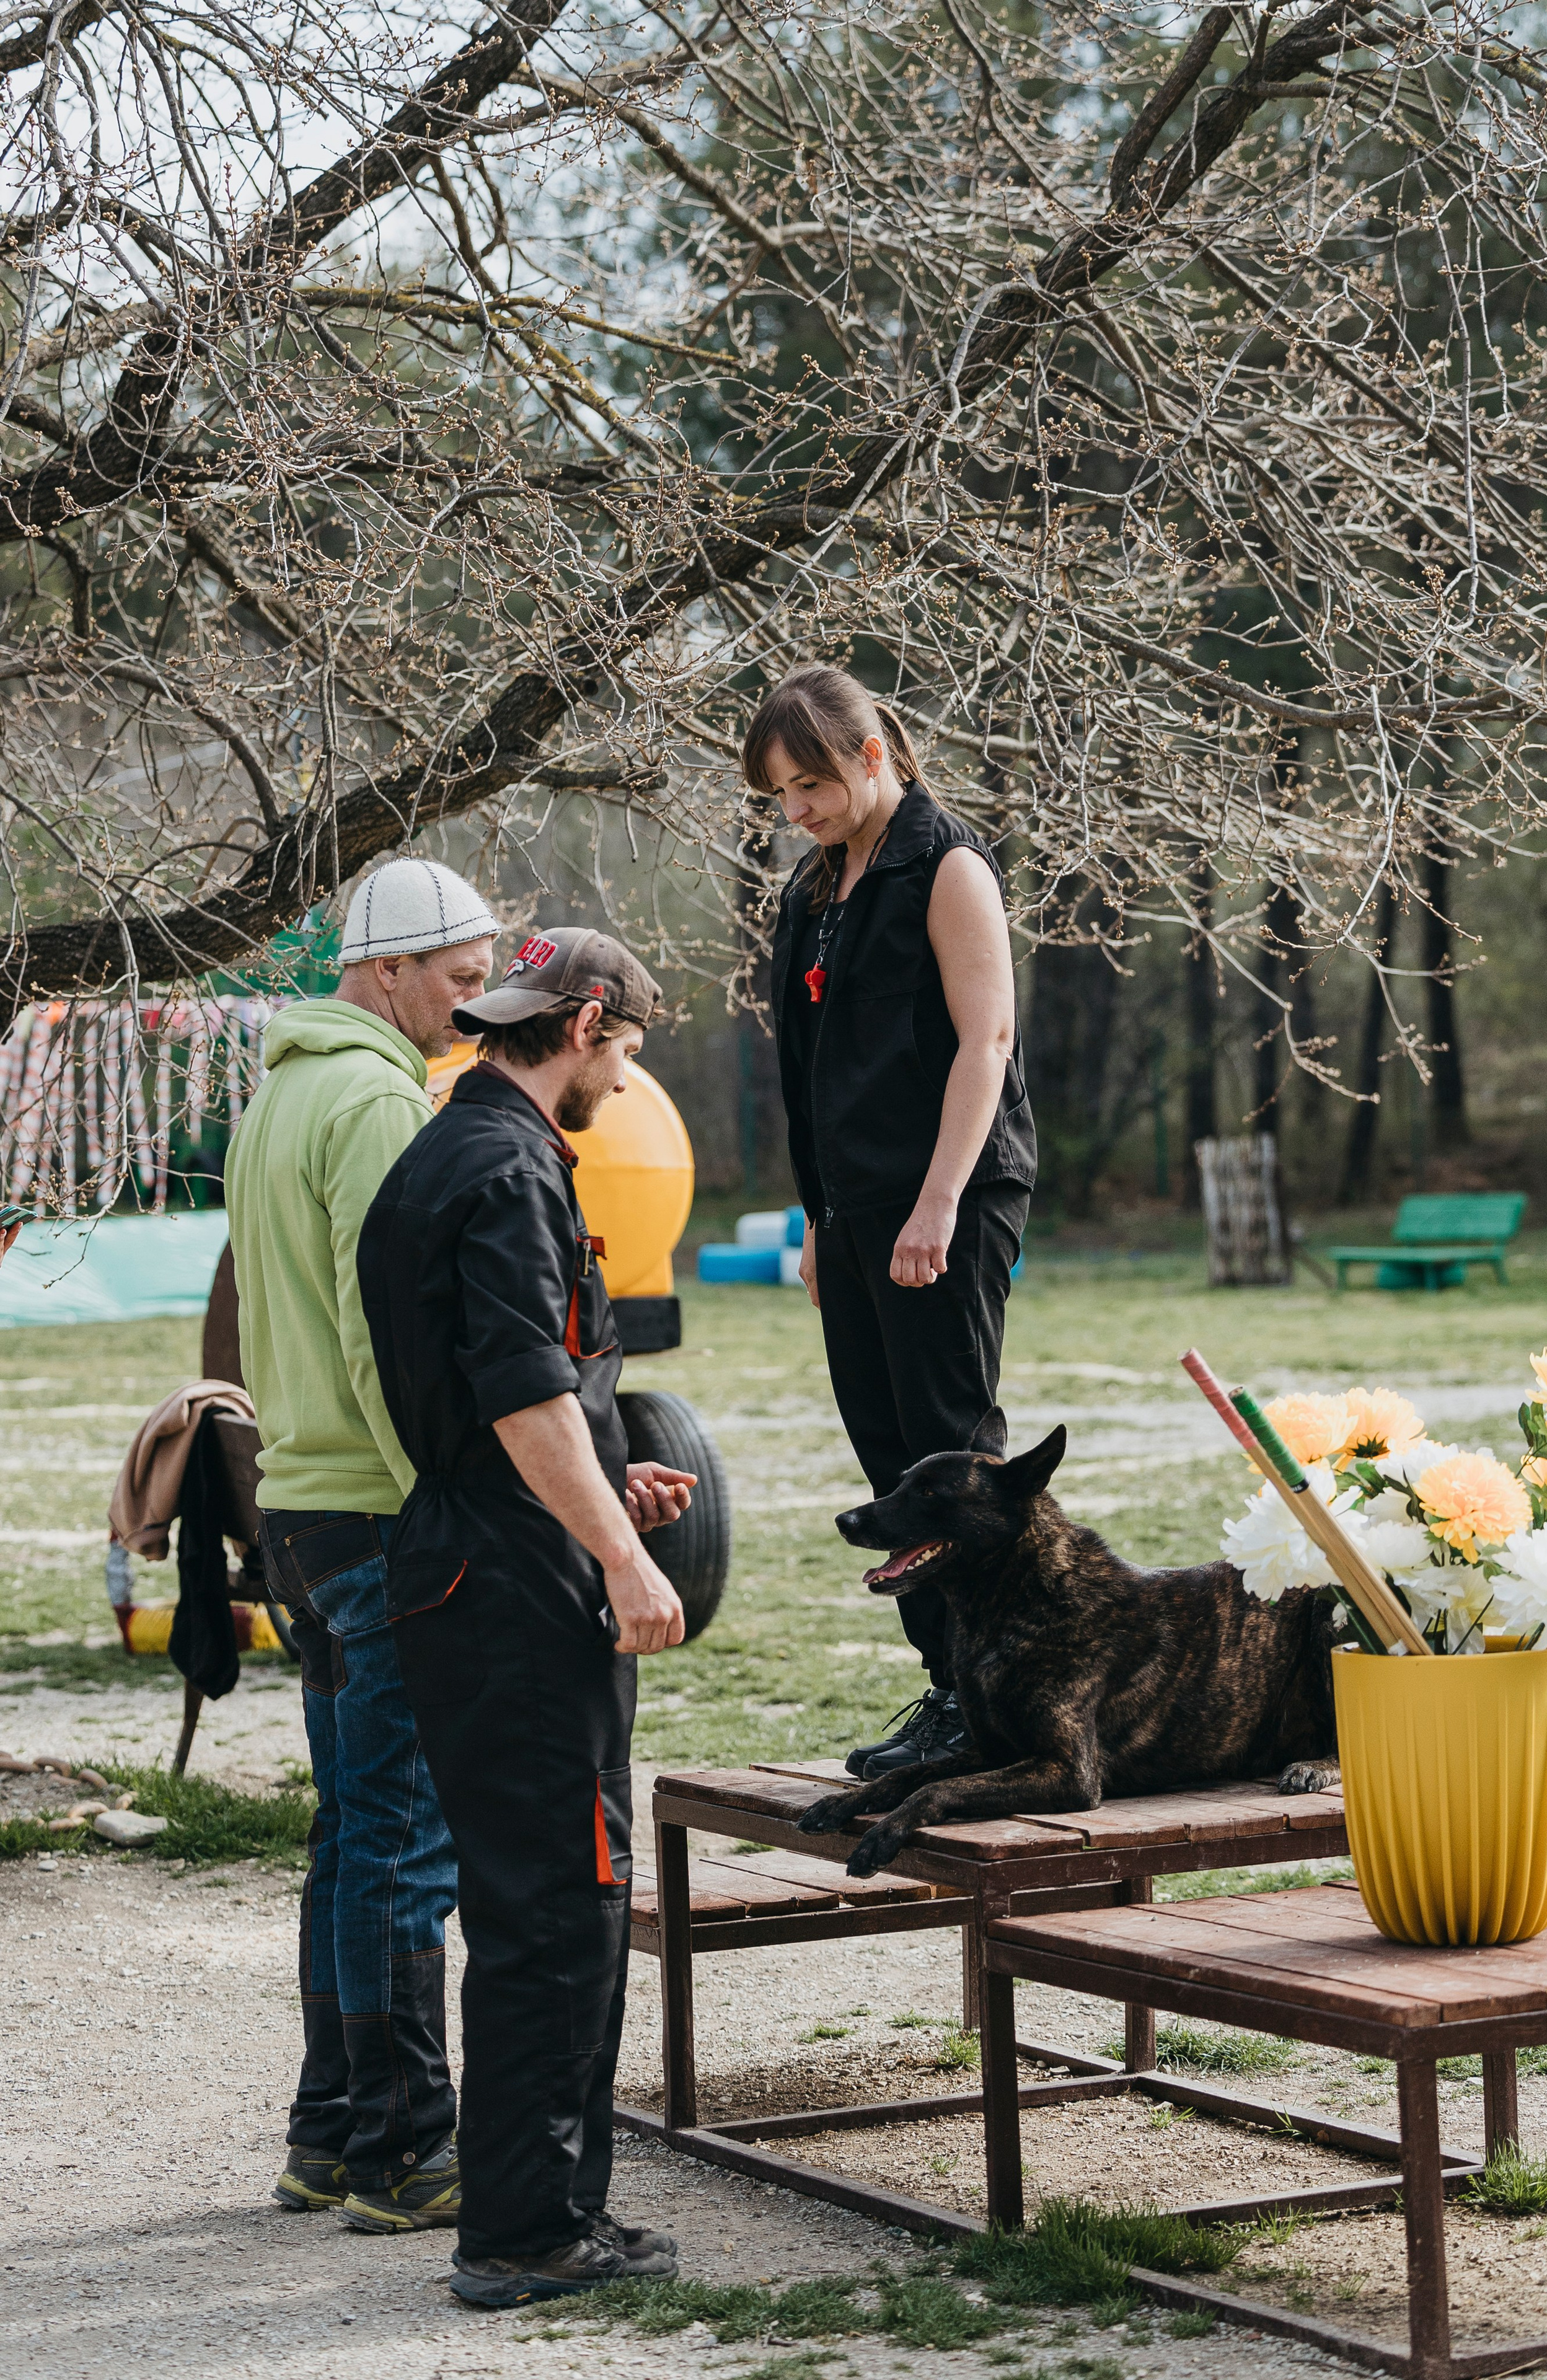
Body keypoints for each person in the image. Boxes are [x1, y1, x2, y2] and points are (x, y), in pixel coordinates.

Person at [358, 926, 693, 2308]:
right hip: (510, 1584)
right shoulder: (506, 1169)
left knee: (541, 1893)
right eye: (621, 1055)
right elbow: (516, 1391)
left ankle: (551, 2208)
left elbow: (505, 1394)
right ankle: (522, 2232)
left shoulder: (448, 1145)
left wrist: (608, 1479)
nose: (621, 1085)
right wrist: (618, 1551)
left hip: (469, 1551)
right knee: (557, 1900)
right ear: (584, 1023)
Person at [224, 857, 500, 2232]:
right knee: (401, 1844)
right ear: (385, 970)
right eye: (457, 980)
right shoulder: (382, 1097)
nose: (472, 1003)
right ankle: (408, 2153)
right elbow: (376, 1327)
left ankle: (327, 2135)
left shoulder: (278, 1092)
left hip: (293, 1508)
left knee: (351, 1834)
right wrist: (434, 1501)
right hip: (376, 1510)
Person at [746, 663, 1037, 1781]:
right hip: (857, 1208)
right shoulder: (814, 892)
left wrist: (937, 1204)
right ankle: (951, 1689)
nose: (797, 811)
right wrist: (821, 1216)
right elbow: (813, 1071)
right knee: (890, 1461)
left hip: (949, 1196)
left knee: (954, 1455)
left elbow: (986, 1045)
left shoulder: (948, 866)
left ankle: (1003, 1698)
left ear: (874, 756)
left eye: (810, 784)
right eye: (780, 795)